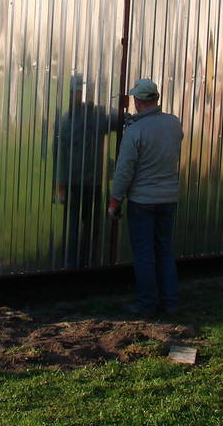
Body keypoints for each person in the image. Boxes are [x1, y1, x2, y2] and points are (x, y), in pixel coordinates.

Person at [108, 78, 184, 316]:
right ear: (155, 99)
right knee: (164, 250)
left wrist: (114, 202)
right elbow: (161, 141)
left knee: (143, 254)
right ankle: (170, 302)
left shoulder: (135, 131)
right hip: (168, 199)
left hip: (143, 201)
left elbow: (124, 171)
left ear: (138, 101)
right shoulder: (173, 123)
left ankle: (146, 305)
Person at [53, 74, 120, 268]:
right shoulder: (66, 120)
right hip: (75, 184)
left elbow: (118, 120)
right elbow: (59, 155)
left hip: (93, 183)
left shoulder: (97, 115)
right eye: (77, 92)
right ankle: (73, 265)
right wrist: (61, 186)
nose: (81, 96)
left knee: (92, 226)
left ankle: (87, 262)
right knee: (75, 226)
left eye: (84, 92)